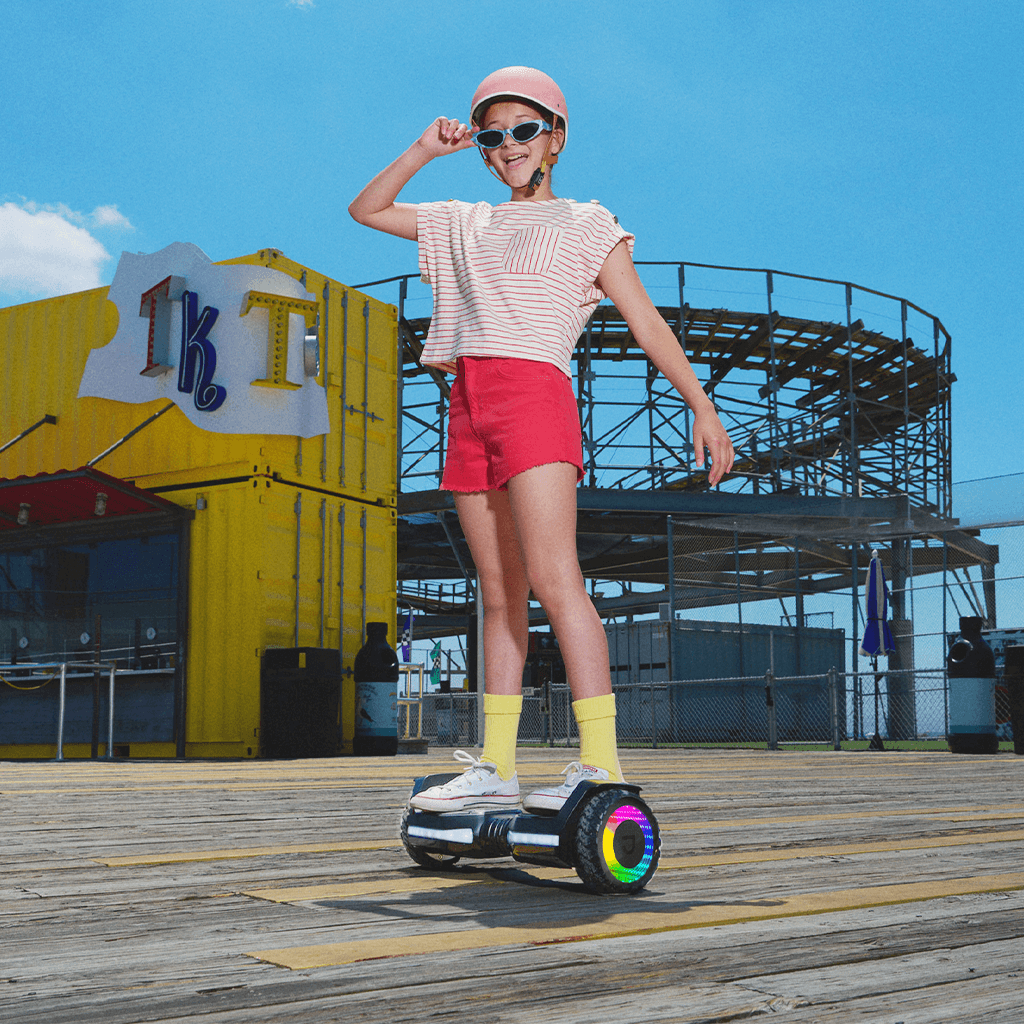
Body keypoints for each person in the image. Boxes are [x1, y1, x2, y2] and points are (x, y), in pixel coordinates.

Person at [349, 67, 734, 814]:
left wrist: (702, 405)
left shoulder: (588, 223)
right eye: (493, 137)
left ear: (555, 138)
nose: (508, 146)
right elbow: (367, 209)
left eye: (524, 130)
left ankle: (599, 762)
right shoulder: (465, 219)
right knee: (497, 595)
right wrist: (425, 149)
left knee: (559, 583)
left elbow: (646, 320)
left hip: (534, 394)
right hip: (469, 400)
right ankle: (497, 765)